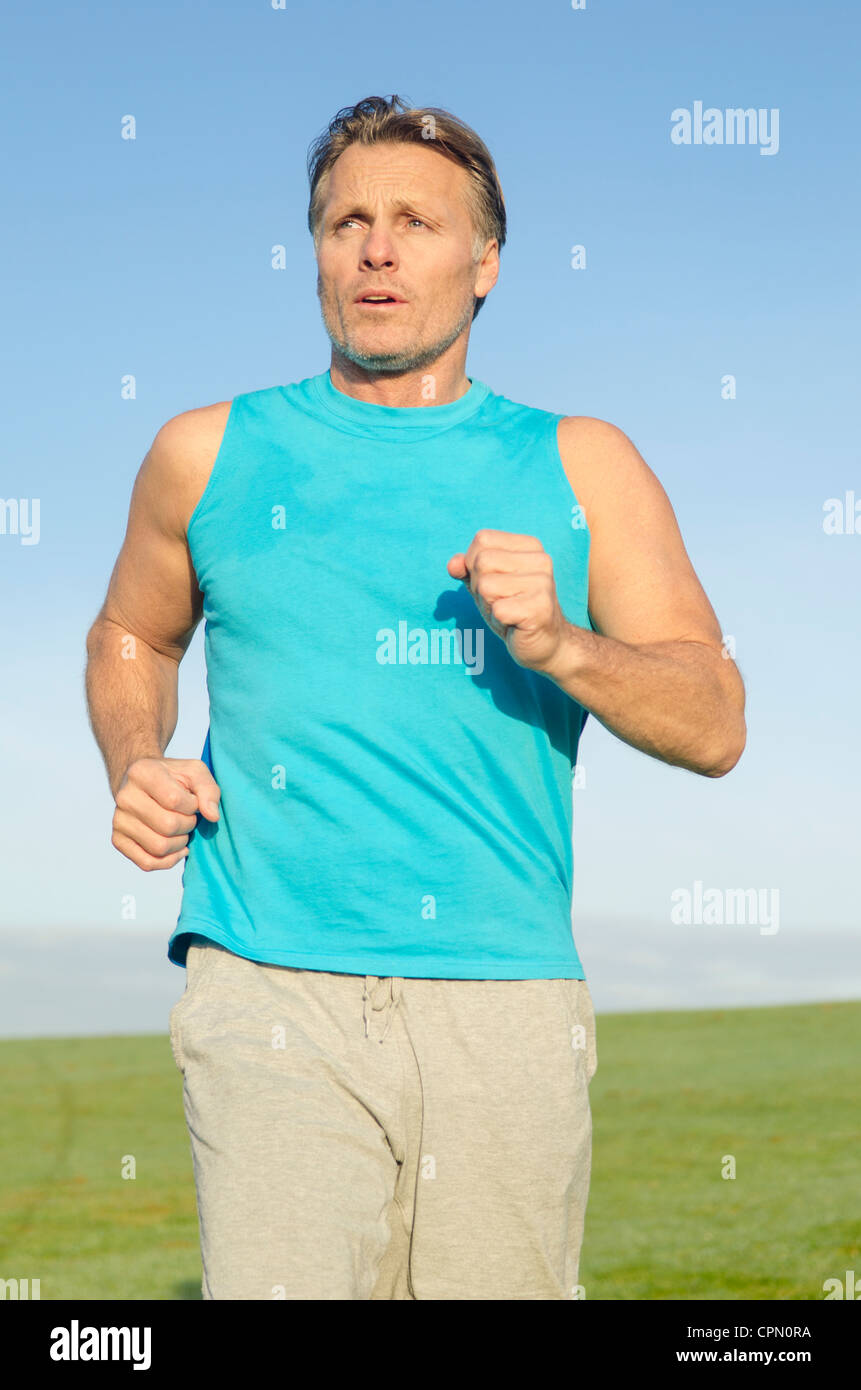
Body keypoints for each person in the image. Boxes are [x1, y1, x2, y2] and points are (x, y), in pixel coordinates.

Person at [85, 94, 746, 1301]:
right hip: (269, 977)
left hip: (505, 996)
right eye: (345, 222)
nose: (376, 249)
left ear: (486, 261)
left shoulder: (584, 462)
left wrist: (563, 643)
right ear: (319, 253)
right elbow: (132, 631)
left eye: (415, 222)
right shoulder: (207, 451)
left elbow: (715, 721)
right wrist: (137, 754)